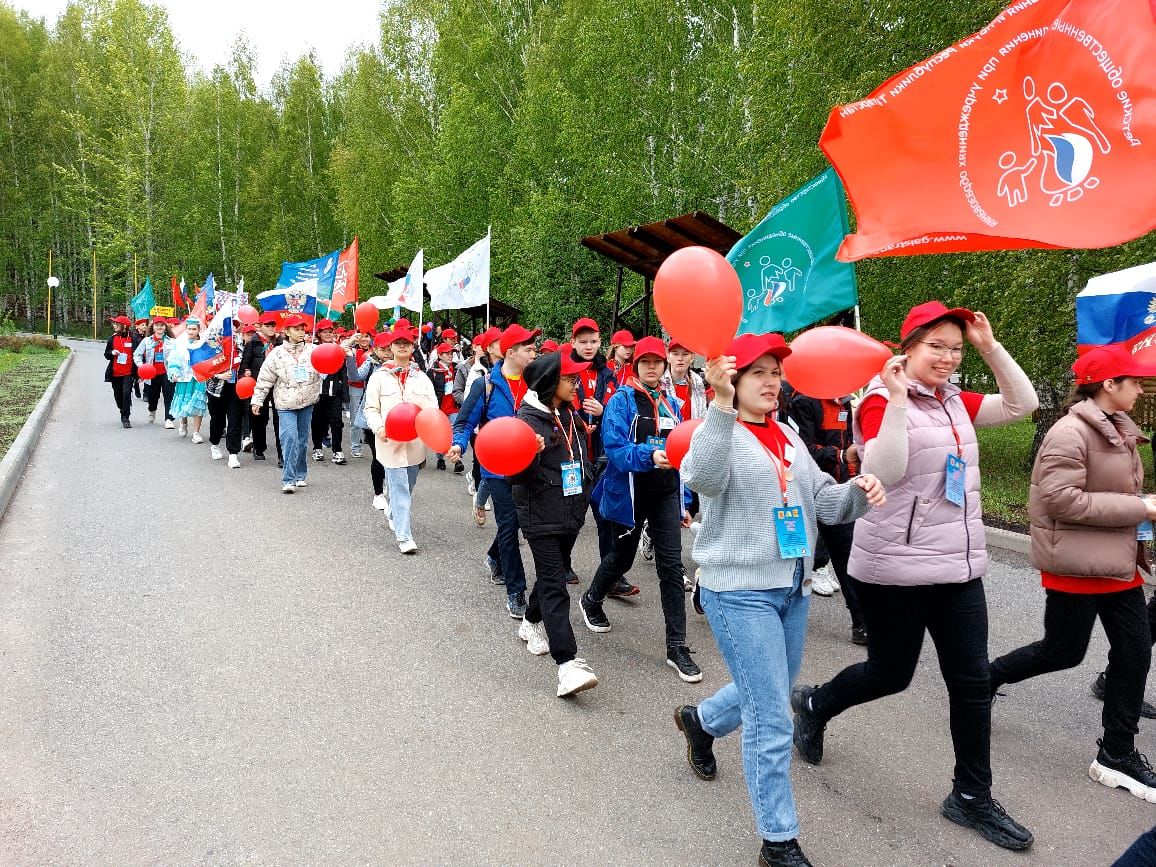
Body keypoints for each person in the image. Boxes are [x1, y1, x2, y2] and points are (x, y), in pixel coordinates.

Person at [790, 301, 1039, 852]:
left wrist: (988, 346)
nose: (948, 358)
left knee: (972, 683)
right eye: (937, 347)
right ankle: (815, 704)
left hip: (958, 566)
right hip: (895, 569)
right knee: (890, 673)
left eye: (955, 348)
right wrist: (900, 398)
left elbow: (1025, 404)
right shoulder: (880, 401)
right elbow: (886, 471)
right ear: (909, 349)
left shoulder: (956, 401)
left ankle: (971, 796)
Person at [676, 333, 885, 867]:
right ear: (733, 381)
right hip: (737, 592)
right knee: (771, 718)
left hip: (791, 588)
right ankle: (778, 841)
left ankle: (701, 722)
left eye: (776, 372)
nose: (772, 382)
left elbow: (826, 505)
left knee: (767, 689)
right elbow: (700, 477)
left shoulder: (789, 436)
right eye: (759, 373)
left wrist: (862, 490)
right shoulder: (716, 431)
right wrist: (719, 406)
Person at [989, 345, 1156, 801]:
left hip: (1116, 561)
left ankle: (1115, 755)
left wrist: (1140, 507)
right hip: (1077, 565)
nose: (1141, 389)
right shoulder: (1069, 432)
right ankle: (985, 680)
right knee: (1062, 651)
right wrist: (1140, 508)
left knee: (1135, 651)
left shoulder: (1119, 428)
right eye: (1135, 382)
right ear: (1108, 385)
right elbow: (1062, 499)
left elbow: (1110, 488)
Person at [578, 336, 699, 682]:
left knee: (671, 567)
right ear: (635, 364)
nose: (651, 366)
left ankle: (677, 646)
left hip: (663, 494)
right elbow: (615, 450)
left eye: (656, 361)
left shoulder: (671, 402)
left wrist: (684, 499)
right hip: (629, 495)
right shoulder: (621, 401)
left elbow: (682, 453)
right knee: (622, 558)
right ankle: (591, 599)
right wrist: (650, 456)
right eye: (644, 361)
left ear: (663, 366)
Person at [510, 346, 599, 697]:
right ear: (550, 381)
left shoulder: (568, 412)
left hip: (571, 509)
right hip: (539, 513)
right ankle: (568, 664)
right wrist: (528, 455)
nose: (576, 383)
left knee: (554, 572)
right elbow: (514, 477)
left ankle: (531, 622)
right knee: (554, 582)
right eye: (569, 378)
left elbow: (577, 455)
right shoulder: (525, 422)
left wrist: (588, 481)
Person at [448, 323, 540, 617]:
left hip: (528, 467)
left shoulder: (536, 382)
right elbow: (463, 422)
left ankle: (493, 556)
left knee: (519, 525)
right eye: (528, 348)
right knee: (510, 525)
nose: (534, 352)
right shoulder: (485, 384)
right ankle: (516, 591)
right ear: (511, 352)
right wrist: (459, 445)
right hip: (497, 468)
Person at [786, 387, 868, 644]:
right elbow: (803, 451)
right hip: (802, 490)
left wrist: (851, 464)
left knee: (848, 558)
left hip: (835, 490)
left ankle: (862, 623)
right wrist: (840, 454)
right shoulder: (803, 402)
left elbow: (846, 441)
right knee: (793, 556)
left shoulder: (844, 403)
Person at [363, 327, 438, 553]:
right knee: (399, 487)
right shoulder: (379, 376)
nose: (403, 346)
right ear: (391, 347)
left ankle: (394, 512)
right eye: (398, 343)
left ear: (413, 346)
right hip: (389, 442)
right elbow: (371, 408)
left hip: (415, 444)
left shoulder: (422, 378)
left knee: (409, 484)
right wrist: (379, 428)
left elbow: (432, 407)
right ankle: (404, 537)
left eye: (407, 342)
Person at [250, 314, 321, 494]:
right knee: (289, 438)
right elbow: (265, 379)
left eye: (302, 329)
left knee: (303, 440)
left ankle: (300, 474)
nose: (300, 332)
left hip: (307, 401)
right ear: (287, 332)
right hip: (285, 404)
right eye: (296, 329)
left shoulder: (313, 350)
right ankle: (288, 479)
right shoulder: (277, 354)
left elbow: (325, 368)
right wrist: (258, 400)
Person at [352, 332, 393, 511]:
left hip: (394, 417)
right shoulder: (370, 363)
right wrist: (348, 358)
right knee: (379, 456)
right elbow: (355, 377)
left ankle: (389, 484)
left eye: (388, 349)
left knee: (392, 456)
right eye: (382, 349)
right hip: (373, 417)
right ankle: (378, 493)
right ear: (375, 349)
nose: (386, 352)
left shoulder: (401, 366)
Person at [206, 326, 245, 468]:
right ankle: (215, 444)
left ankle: (233, 454)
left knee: (235, 419)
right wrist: (218, 375)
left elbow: (245, 360)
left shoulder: (240, 341)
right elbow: (203, 367)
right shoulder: (211, 342)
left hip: (236, 387)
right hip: (216, 388)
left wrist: (244, 372)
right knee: (218, 419)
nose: (233, 327)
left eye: (235, 324)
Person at [241, 313, 278, 462]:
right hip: (259, 384)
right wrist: (247, 374)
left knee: (279, 417)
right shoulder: (253, 343)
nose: (270, 329)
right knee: (259, 418)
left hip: (277, 384)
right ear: (261, 327)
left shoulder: (280, 342)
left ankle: (282, 451)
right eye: (267, 326)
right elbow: (245, 364)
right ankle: (259, 447)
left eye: (272, 326)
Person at [311, 319, 347, 464]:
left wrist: (344, 392)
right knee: (318, 421)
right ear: (319, 334)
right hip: (317, 392)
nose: (328, 334)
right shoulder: (312, 349)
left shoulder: (337, 350)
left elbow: (343, 372)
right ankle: (317, 448)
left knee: (337, 422)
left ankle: (337, 450)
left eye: (330, 332)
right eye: (325, 332)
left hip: (334, 392)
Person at [167, 316, 208, 443]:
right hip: (184, 377)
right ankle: (183, 422)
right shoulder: (179, 343)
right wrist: (174, 373)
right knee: (184, 403)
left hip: (199, 378)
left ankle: (196, 432)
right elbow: (173, 360)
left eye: (194, 329)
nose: (191, 331)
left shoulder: (204, 344)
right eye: (189, 329)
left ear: (198, 330)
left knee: (198, 403)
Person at [427, 341, 463, 472]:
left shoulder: (457, 368)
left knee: (455, 433)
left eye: (452, 353)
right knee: (441, 434)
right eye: (447, 353)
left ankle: (457, 460)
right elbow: (429, 390)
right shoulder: (433, 371)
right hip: (440, 408)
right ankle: (440, 458)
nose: (450, 356)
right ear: (440, 355)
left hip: (454, 407)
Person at [132, 317, 174, 426]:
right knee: (152, 397)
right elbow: (137, 354)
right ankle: (152, 410)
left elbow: (178, 356)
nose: (159, 327)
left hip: (167, 372)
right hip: (151, 373)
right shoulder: (147, 341)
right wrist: (142, 366)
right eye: (157, 325)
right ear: (153, 327)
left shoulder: (172, 341)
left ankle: (168, 419)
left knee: (169, 396)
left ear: (165, 327)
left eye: (162, 325)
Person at [104, 315, 136, 428]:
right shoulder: (112, 338)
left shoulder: (133, 338)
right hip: (115, 373)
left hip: (128, 373)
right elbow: (106, 354)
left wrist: (139, 373)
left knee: (126, 393)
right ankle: (122, 409)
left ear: (124, 326)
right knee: (118, 396)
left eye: (116, 324)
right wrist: (112, 353)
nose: (114, 326)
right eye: (114, 324)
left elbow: (138, 354)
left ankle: (125, 417)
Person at [345, 330, 373, 459]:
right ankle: (355, 447)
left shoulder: (376, 352)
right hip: (355, 387)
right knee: (355, 418)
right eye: (361, 336)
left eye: (366, 336)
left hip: (371, 389)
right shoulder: (353, 351)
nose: (364, 339)